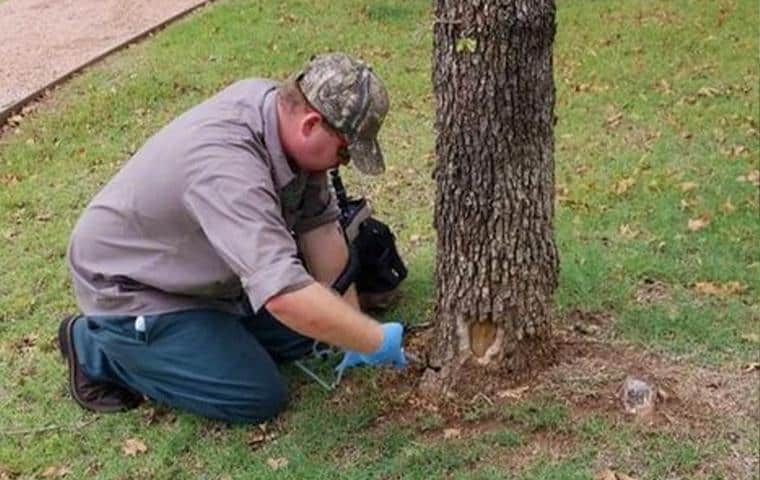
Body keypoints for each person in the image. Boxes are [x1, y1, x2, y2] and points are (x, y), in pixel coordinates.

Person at [58, 53, 407, 424]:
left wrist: (352, 330)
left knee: (316, 331)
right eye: (344, 151)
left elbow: (318, 227)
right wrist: (373, 339)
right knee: (255, 395)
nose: (344, 163)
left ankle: (214, 335)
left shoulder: (280, 114)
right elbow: (283, 295)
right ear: (310, 124)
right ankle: (95, 347)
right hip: (133, 286)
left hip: (206, 269)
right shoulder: (228, 167)